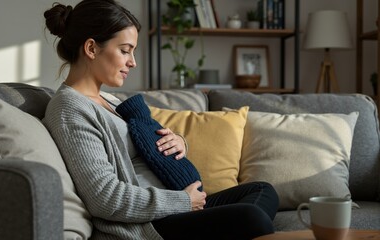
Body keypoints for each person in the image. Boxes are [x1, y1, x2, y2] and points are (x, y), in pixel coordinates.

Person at [43, 1, 279, 239]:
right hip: (152, 223)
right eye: (125, 50)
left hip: (179, 207)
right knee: (252, 218)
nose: (132, 62)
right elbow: (104, 197)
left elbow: (147, 143)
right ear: (92, 48)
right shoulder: (69, 109)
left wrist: (179, 142)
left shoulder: (109, 99)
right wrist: (184, 201)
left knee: (263, 190)